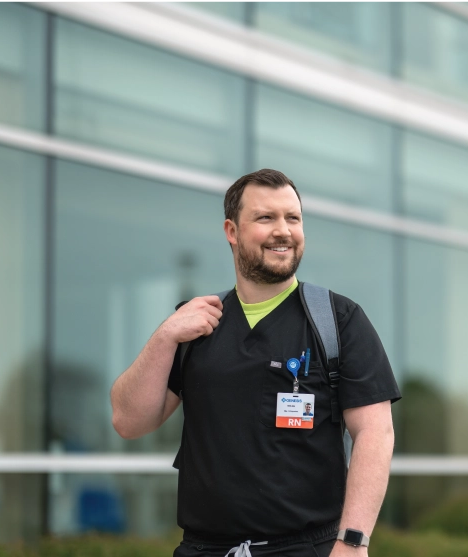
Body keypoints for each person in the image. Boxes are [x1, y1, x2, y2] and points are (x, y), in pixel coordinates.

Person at [110, 169, 400, 557]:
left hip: (305, 548)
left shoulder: (338, 320)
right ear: (232, 231)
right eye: (266, 218)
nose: (284, 230)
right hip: (203, 549)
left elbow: (375, 434)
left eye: (292, 218)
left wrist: (352, 543)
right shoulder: (198, 322)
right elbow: (129, 422)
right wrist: (164, 336)